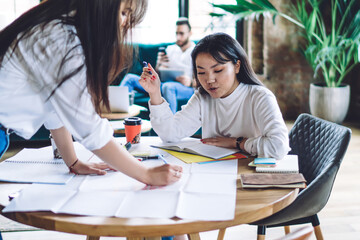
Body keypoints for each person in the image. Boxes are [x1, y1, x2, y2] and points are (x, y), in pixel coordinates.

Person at [0, 0, 183, 186]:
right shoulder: (60, 40)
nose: (124, 24)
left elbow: (55, 109)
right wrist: (146, 175)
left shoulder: (56, 29)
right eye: (124, 13)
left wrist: (73, 162)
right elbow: (88, 127)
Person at [139, 32, 290, 160]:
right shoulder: (203, 98)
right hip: (212, 171)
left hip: (248, 174)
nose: (209, 80)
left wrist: (237, 143)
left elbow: (279, 147)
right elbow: (169, 134)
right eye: (201, 72)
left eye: (218, 70)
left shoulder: (259, 97)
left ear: (237, 66)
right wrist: (155, 92)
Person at [120, 17, 195, 113]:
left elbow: (202, 80)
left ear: (190, 33)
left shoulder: (196, 52)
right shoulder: (170, 49)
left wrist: (190, 82)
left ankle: (169, 126)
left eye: (181, 34)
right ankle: (117, 113)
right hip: (164, 84)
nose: (178, 37)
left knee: (168, 87)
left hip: (185, 88)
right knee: (130, 78)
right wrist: (159, 66)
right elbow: (157, 76)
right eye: (176, 33)